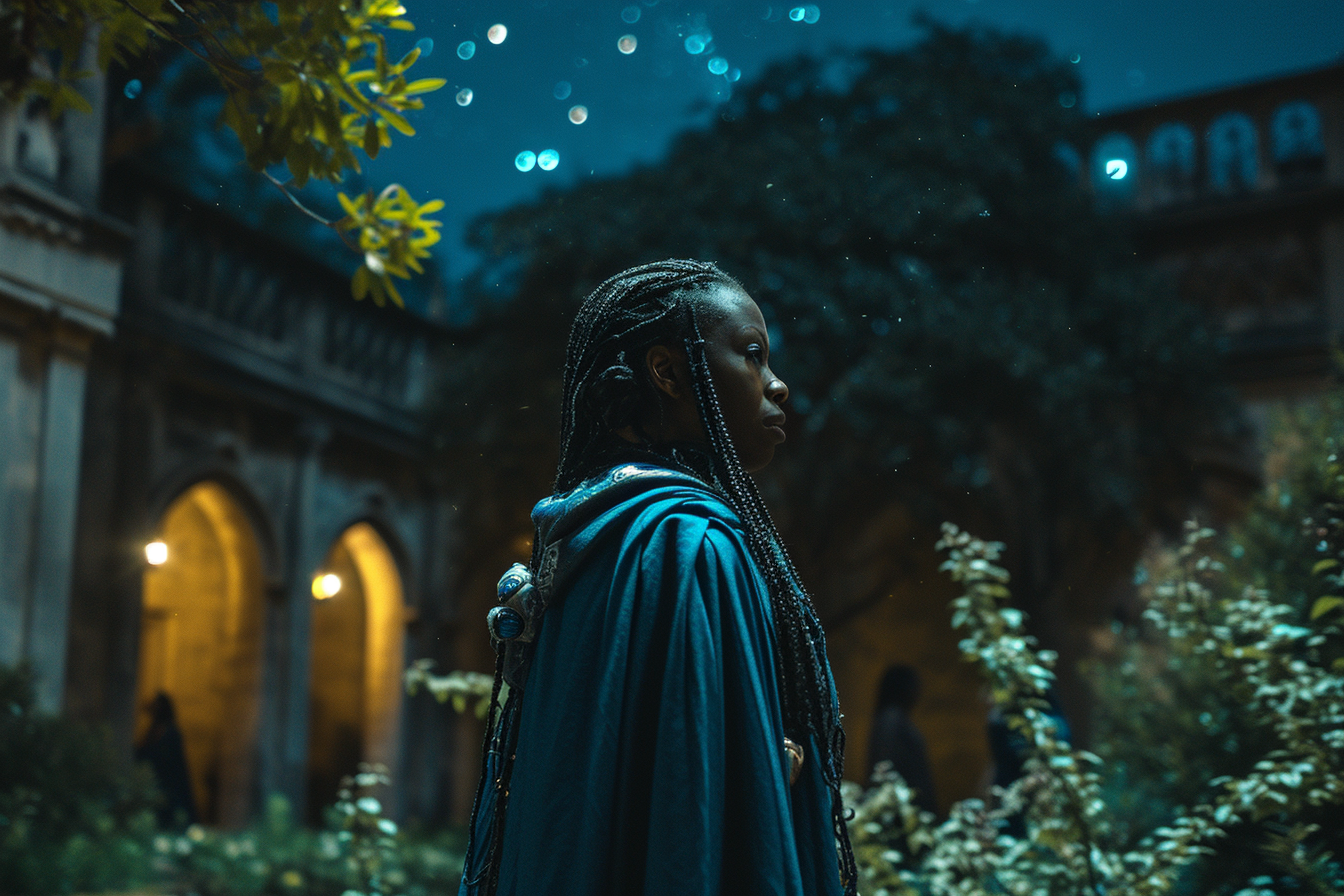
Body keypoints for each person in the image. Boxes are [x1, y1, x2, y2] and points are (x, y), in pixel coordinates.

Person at [459, 259, 856, 896]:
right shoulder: (689, 543)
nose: (776, 385)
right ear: (668, 372)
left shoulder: (596, 526)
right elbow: (695, 804)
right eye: (752, 355)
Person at [866, 664, 937, 815]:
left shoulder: (894, 718)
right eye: (913, 686)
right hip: (901, 806)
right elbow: (884, 761)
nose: (917, 692)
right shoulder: (891, 719)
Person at [134, 691, 199, 828]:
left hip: (170, 785)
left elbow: (175, 763)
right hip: (154, 783)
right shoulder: (152, 731)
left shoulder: (171, 733)